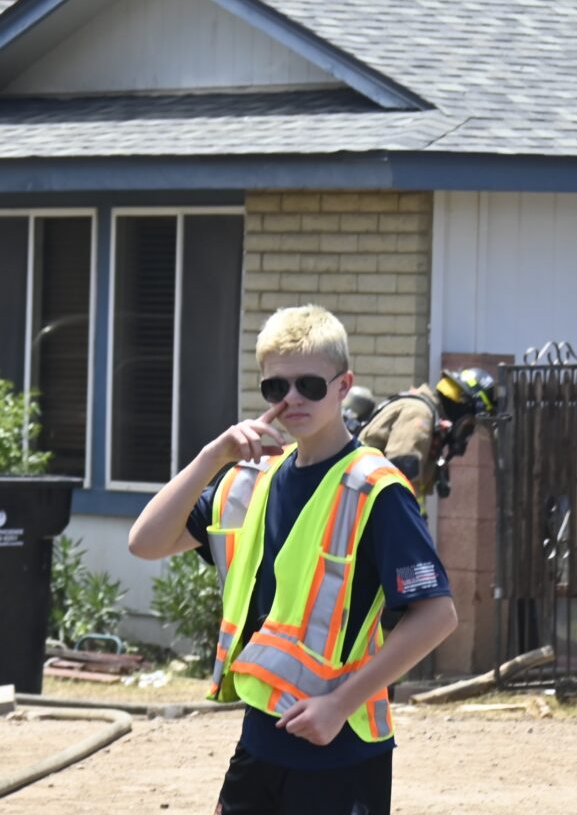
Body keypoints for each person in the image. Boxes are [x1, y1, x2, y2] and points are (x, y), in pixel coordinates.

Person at [129, 304, 458, 815]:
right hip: (261, 738)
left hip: (340, 747)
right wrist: (212, 456)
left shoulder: (374, 487)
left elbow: (438, 615)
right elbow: (145, 542)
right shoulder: (251, 480)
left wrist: (339, 704)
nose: (292, 399)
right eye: (276, 387)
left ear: (344, 385)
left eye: (309, 384)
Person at [356, 368, 496, 514]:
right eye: (471, 423)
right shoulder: (420, 413)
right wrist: (414, 522)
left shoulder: (431, 419)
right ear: (464, 404)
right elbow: (402, 474)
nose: (469, 431)